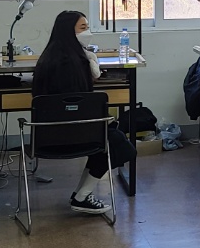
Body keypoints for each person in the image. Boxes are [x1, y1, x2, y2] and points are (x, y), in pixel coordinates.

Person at [31, 11, 136, 215]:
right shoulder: (76, 63)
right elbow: (81, 104)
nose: (88, 32)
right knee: (120, 145)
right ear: (68, 31)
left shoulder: (47, 57)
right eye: (83, 28)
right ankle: (81, 196)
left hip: (46, 138)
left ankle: (81, 195)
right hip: (76, 135)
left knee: (110, 138)